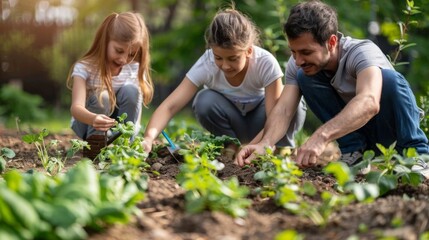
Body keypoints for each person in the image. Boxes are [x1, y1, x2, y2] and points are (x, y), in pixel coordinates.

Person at [236, 0, 429, 175]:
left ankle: (419, 156)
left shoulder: (361, 52)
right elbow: (284, 109)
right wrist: (265, 143)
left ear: (332, 42)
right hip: (359, 134)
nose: (298, 60)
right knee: (305, 75)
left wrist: (320, 137)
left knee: (389, 79)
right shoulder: (300, 65)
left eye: (306, 52)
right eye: (293, 52)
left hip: (390, 129)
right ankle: (354, 155)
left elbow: (370, 102)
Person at [143, 7, 306, 156]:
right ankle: (229, 147)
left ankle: (281, 148)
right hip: (232, 124)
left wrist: (257, 145)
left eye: (233, 58)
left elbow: (275, 116)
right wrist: (149, 137)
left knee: (292, 103)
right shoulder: (206, 63)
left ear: (248, 51)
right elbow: (170, 106)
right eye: (218, 58)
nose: (225, 65)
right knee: (204, 99)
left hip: (264, 125)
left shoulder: (265, 62)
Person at [67, 12, 154, 159]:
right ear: (105, 41)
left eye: (131, 54)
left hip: (116, 124)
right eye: (119, 51)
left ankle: (124, 146)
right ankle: (95, 147)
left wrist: (135, 133)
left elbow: (134, 110)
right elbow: (76, 109)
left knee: (131, 91)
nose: (123, 59)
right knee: (103, 96)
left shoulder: (133, 68)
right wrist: (93, 119)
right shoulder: (85, 68)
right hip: (87, 122)